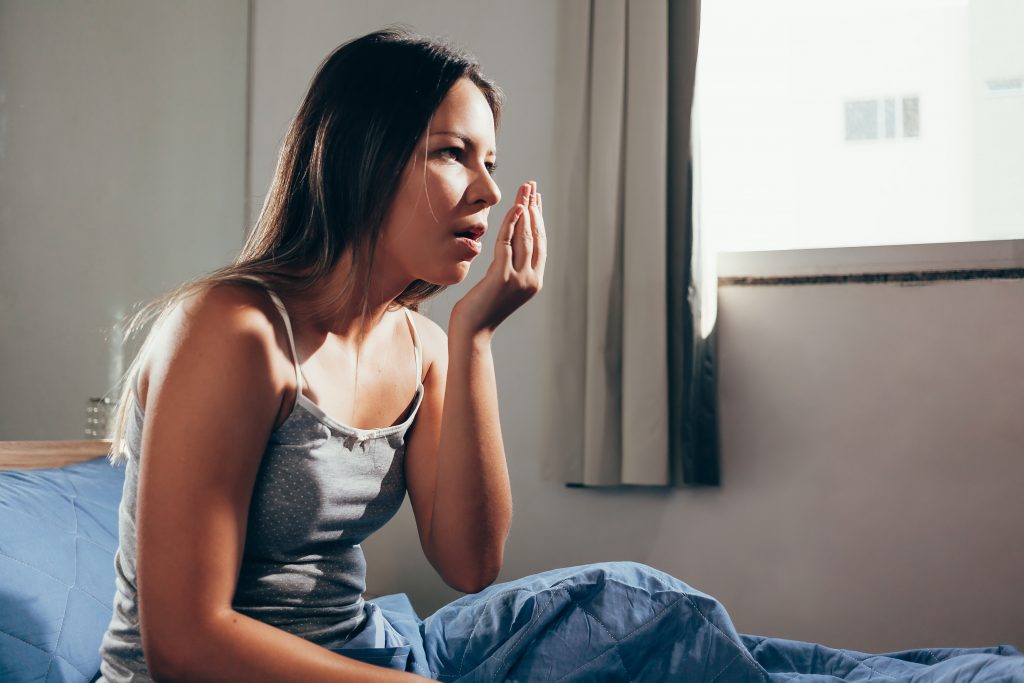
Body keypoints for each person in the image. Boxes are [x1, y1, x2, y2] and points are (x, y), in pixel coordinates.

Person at [97, 26, 1024, 683]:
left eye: (492, 160)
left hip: (379, 656)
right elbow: (184, 640)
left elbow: (468, 561)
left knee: (653, 612)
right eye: (454, 154)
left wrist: (475, 335)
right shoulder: (236, 329)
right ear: (361, 158)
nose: (489, 190)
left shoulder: (420, 348)